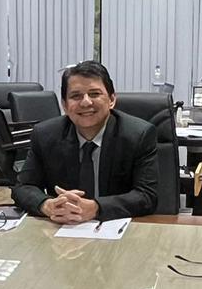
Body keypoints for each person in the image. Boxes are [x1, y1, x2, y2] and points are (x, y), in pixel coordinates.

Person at [12, 61, 158, 222]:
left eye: (94, 94)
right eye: (76, 96)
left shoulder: (138, 135)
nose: (86, 102)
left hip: (118, 229)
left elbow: (146, 196)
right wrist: (47, 205)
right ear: (65, 106)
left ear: (111, 100)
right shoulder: (46, 135)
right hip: (63, 231)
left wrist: (96, 208)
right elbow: (23, 187)